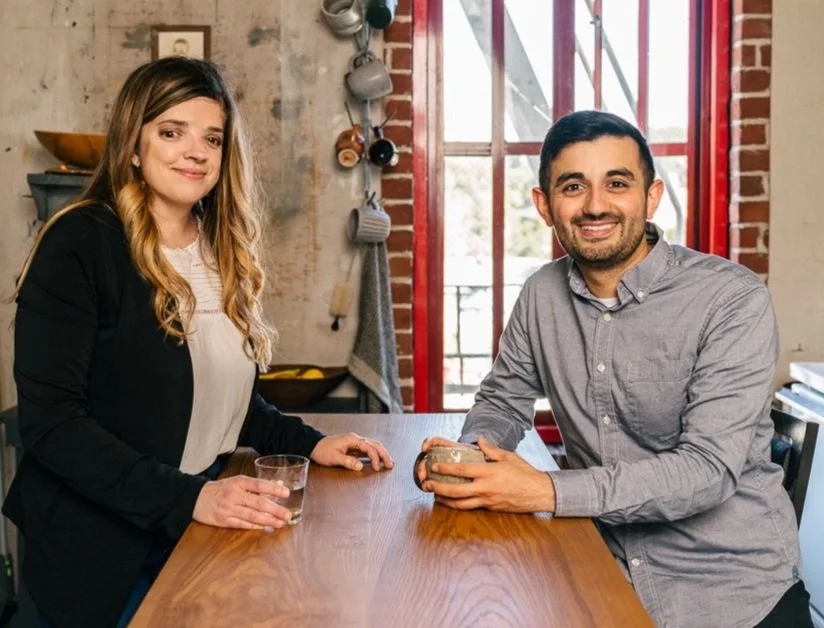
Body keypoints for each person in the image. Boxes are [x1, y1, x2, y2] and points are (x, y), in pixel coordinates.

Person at [4, 56, 394, 628]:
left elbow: (224, 402)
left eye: (212, 138)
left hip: (186, 525)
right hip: (98, 551)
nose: (196, 151)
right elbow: (52, 425)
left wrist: (310, 443)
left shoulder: (219, 248)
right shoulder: (81, 243)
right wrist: (190, 498)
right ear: (132, 146)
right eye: (171, 132)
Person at [416, 111, 811, 627]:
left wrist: (546, 491)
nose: (595, 205)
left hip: (732, 596)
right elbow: (502, 399)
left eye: (617, 183)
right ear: (544, 205)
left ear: (650, 197)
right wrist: (471, 457)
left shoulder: (732, 299)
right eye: (573, 186)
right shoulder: (541, 294)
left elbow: (707, 470)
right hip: (600, 578)